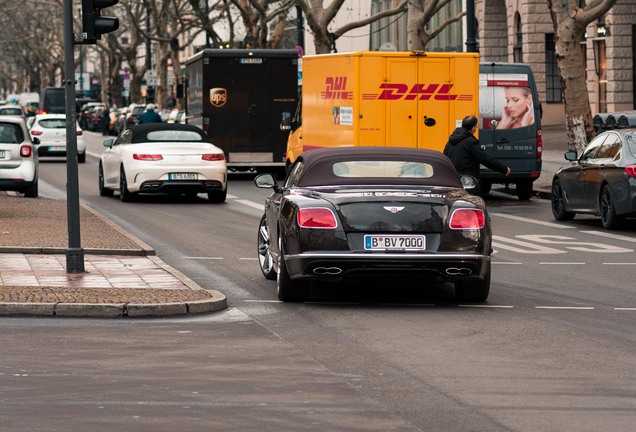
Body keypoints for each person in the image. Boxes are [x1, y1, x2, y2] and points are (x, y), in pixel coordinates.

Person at [443, 115, 511, 196]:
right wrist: (504, 169)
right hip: (468, 183)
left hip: (453, 181)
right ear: (473, 128)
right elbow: (486, 159)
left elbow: (445, 158)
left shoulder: (451, 141)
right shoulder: (470, 142)